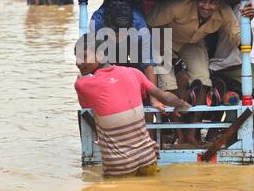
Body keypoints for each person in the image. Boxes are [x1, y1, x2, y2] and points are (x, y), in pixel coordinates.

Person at [145, 0, 254, 145]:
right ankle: (179, 135)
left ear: (219, 3)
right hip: (165, 38)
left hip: (193, 43)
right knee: (168, 83)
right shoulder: (177, 5)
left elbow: (243, 43)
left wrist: (247, 22)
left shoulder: (225, 12)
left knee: (203, 79)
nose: (207, 6)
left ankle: (192, 135)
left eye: (212, 2)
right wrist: (157, 41)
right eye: (203, 1)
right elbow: (147, 23)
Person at [74, 34, 191, 177]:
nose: (78, 62)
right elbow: (164, 96)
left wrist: (81, 80)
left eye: (83, 56)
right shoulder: (134, 73)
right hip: (148, 158)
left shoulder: (83, 84)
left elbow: (86, 107)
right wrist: (181, 104)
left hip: (119, 164)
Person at [90, 0, 165, 113]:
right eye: (116, 33)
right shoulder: (98, 21)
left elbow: (149, 63)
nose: (119, 38)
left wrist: (154, 99)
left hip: (134, 42)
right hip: (107, 47)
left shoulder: (139, 25)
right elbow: (95, 59)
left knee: (142, 82)